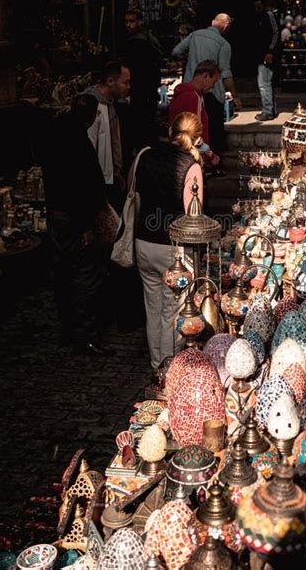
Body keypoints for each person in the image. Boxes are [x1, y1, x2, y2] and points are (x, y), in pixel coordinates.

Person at [134, 112, 205, 382]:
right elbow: (192, 217)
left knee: (152, 308)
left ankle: (156, 365)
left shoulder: (145, 155)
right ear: (197, 138)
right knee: (173, 311)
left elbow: (136, 198)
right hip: (172, 247)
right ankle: (171, 368)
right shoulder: (191, 166)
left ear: (170, 130)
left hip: (144, 241)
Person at [40, 94, 111, 357]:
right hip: (75, 217)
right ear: (91, 116)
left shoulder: (53, 134)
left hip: (57, 213)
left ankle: (68, 329)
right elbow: (85, 187)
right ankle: (85, 335)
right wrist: (87, 225)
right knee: (85, 275)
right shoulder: (78, 143)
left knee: (63, 272)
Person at [172, 13, 240, 161]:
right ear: (226, 26)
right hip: (212, 94)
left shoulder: (195, 35)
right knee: (211, 130)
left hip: (190, 85)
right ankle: (211, 162)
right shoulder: (223, 44)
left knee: (189, 126)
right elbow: (226, 73)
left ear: (212, 21)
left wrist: (191, 61)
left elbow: (176, 51)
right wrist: (235, 96)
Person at [84, 61, 130, 212]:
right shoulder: (91, 106)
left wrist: (116, 172)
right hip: (97, 182)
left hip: (109, 177)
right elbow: (88, 147)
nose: (128, 87)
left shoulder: (109, 104)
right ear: (110, 81)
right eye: (125, 82)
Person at [168, 60, 221, 167]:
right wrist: (210, 155)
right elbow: (194, 134)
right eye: (213, 82)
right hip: (190, 156)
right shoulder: (193, 97)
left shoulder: (183, 94)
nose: (213, 86)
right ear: (206, 76)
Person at [123, 8, 163, 150]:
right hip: (149, 89)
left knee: (141, 127)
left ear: (139, 21)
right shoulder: (148, 37)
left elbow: (134, 68)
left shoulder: (137, 41)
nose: (128, 25)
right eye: (126, 21)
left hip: (141, 89)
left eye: (131, 21)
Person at [254, 0, 280, 121]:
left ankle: (268, 110)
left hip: (267, 54)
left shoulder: (269, 15)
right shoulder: (260, 17)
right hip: (262, 54)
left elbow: (276, 32)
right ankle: (270, 109)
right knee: (265, 83)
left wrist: (270, 51)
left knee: (264, 83)